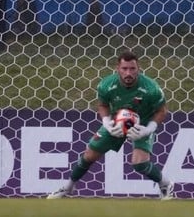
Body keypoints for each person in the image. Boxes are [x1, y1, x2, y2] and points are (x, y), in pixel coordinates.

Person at [47, 50, 174, 200]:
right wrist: (107, 123)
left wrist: (148, 129)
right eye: (124, 68)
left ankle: (165, 183)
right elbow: (103, 105)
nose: (128, 73)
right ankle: (68, 187)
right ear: (117, 69)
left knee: (139, 163)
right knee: (89, 155)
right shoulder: (106, 85)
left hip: (142, 124)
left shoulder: (151, 88)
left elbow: (162, 111)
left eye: (132, 69)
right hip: (117, 122)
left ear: (138, 69)